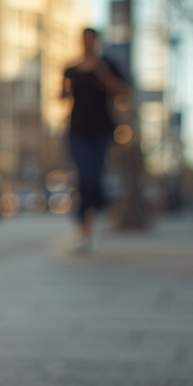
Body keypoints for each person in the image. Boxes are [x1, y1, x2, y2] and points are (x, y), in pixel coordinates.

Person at [61, 28, 126, 251]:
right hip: (77, 130)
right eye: (85, 39)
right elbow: (62, 96)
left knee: (95, 178)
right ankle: (84, 227)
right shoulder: (71, 69)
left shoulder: (107, 66)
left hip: (101, 130)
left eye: (92, 39)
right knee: (84, 175)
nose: (88, 43)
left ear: (97, 41)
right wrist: (65, 89)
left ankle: (91, 219)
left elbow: (122, 91)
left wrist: (105, 76)